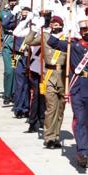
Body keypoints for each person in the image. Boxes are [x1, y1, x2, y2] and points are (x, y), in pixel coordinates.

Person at [47, 20, 88, 168]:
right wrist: (54, 28)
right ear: (80, 32)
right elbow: (52, 42)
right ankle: (82, 151)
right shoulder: (73, 45)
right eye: (85, 30)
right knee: (80, 119)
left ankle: (84, 147)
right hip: (77, 88)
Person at [25, 16, 67, 147]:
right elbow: (28, 41)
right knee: (50, 108)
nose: (55, 25)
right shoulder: (45, 36)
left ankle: (56, 136)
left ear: (61, 25)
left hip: (63, 76)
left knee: (60, 109)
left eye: (57, 23)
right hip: (49, 75)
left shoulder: (67, 38)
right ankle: (49, 137)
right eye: (53, 23)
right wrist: (35, 29)